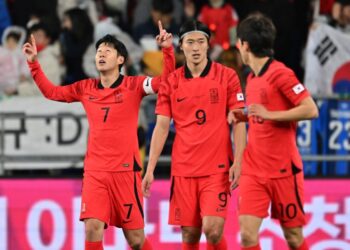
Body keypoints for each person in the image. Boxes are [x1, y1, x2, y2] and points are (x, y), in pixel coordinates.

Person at [22, 21, 175, 250]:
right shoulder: (86, 88)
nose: (101, 54)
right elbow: (52, 92)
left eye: (107, 51)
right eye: (98, 51)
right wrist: (34, 64)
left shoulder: (134, 85)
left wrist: (167, 50)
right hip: (95, 171)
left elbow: (166, 83)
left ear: (120, 60)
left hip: (125, 171)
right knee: (92, 228)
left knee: (135, 240)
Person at [142, 20, 246, 250]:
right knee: (189, 234)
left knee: (213, 230)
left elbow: (239, 122)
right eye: (190, 42)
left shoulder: (227, 76)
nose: (196, 47)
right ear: (182, 46)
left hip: (216, 169)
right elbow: (161, 126)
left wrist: (239, 161)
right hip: (184, 169)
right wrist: (149, 169)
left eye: (201, 41)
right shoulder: (171, 81)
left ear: (209, 45)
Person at [229, 13, 319, 250]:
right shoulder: (252, 78)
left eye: (238, 43)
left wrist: (270, 115)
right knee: (248, 236)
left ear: (244, 45)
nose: (237, 48)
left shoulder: (281, 73)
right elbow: (260, 113)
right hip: (254, 170)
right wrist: (244, 115)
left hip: (283, 171)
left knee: (293, 237)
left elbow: (311, 109)